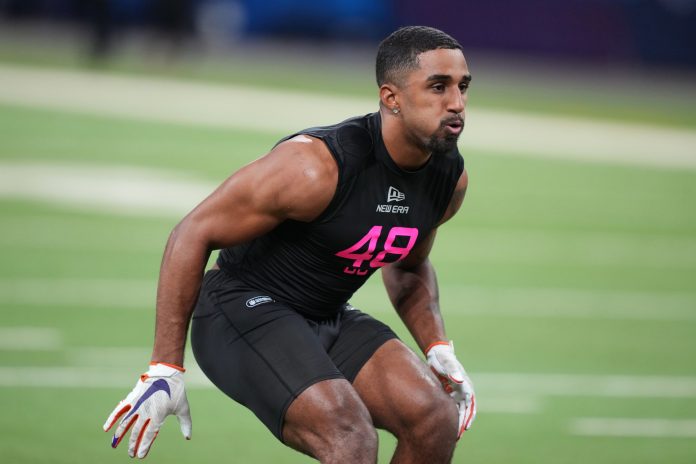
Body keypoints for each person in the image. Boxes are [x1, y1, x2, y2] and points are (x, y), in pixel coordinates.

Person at [103, 25, 477, 463]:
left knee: (434, 420)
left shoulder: (447, 177)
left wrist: (437, 347)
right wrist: (165, 366)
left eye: (463, 86)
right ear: (391, 98)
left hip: (326, 315)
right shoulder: (315, 165)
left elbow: (408, 264)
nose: (456, 103)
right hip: (239, 309)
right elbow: (192, 232)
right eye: (438, 86)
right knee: (350, 436)